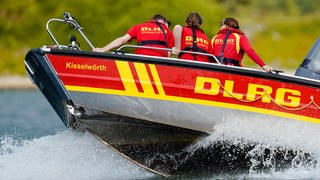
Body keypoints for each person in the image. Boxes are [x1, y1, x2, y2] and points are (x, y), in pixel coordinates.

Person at [93, 14, 174, 57]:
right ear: (164, 22)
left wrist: (103, 49)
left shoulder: (138, 27)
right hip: (159, 62)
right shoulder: (168, 31)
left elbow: (122, 40)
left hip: (139, 59)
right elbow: (169, 53)